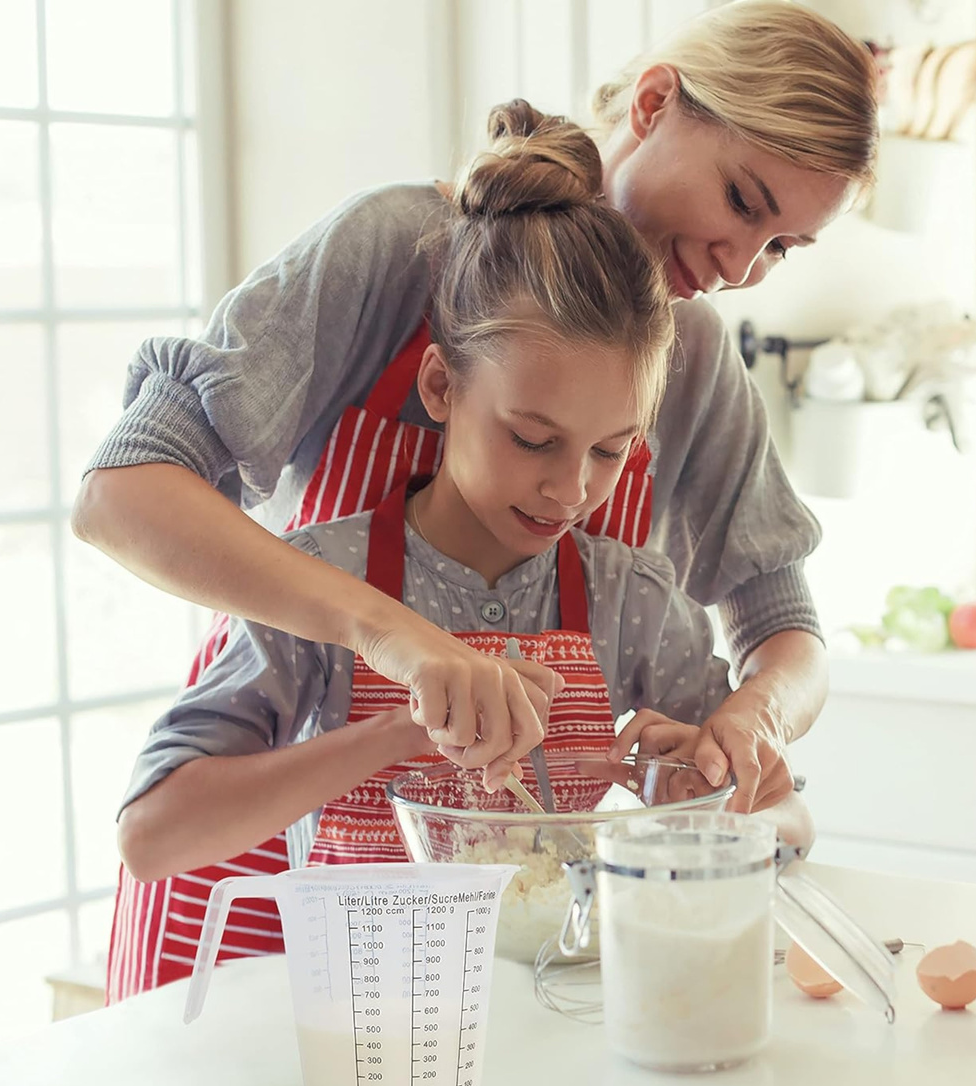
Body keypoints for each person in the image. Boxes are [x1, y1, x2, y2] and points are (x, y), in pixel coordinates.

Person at [71, 0, 878, 803]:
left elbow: (783, 628)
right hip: (256, 818)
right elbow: (120, 496)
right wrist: (391, 636)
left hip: (492, 869)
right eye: (741, 201)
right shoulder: (396, 249)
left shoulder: (691, 354)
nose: (739, 268)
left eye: (781, 247)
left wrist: (757, 716)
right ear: (654, 101)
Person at [110, 106, 811, 999]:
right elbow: (151, 837)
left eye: (609, 452)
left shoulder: (630, 599)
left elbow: (789, 819)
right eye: (531, 439)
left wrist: (699, 798)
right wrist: (399, 731)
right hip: (357, 1023)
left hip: (541, 1028)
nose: (570, 492)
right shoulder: (320, 584)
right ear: (441, 387)